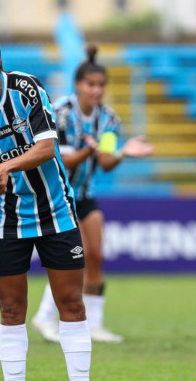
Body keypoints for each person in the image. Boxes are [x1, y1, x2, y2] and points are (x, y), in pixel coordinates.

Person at [0, 30, 92, 381]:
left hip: (55, 211)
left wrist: (4, 165)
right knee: (11, 309)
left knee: (71, 304)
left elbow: (46, 147)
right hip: (4, 219)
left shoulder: (25, 88)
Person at [31, 43, 154, 344]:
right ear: (77, 85)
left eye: (101, 85)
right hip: (58, 195)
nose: (96, 90)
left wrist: (122, 151)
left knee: (96, 256)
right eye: (91, 84)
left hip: (85, 194)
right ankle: (45, 317)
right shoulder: (59, 113)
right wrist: (90, 148)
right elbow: (59, 157)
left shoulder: (109, 119)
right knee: (75, 258)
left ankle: (95, 324)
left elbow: (106, 162)